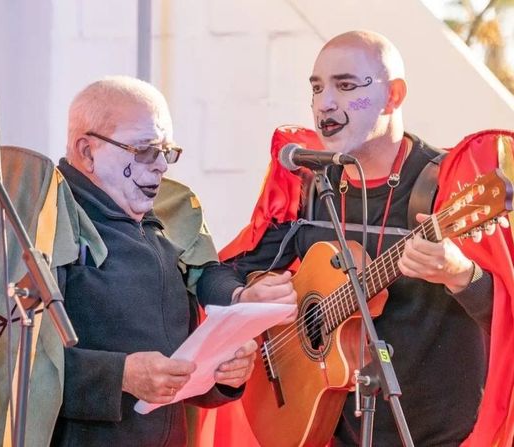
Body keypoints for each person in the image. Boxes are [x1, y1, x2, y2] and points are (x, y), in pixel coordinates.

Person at [224, 30, 495, 446]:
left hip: (432, 435)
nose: (325, 103)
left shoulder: (448, 188)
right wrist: (249, 295)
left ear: (393, 96)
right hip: (326, 429)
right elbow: (232, 270)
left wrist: (462, 274)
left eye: (346, 85)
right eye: (317, 88)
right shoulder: (312, 185)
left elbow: (506, 313)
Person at [49, 75, 295, 447]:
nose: (162, 166)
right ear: (87, 151)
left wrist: (222, 371)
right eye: (145, 150)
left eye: (167, 151)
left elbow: (206, 275)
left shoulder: (167, 213)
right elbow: (18, 363)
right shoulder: (46, 218)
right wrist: (121, 376)